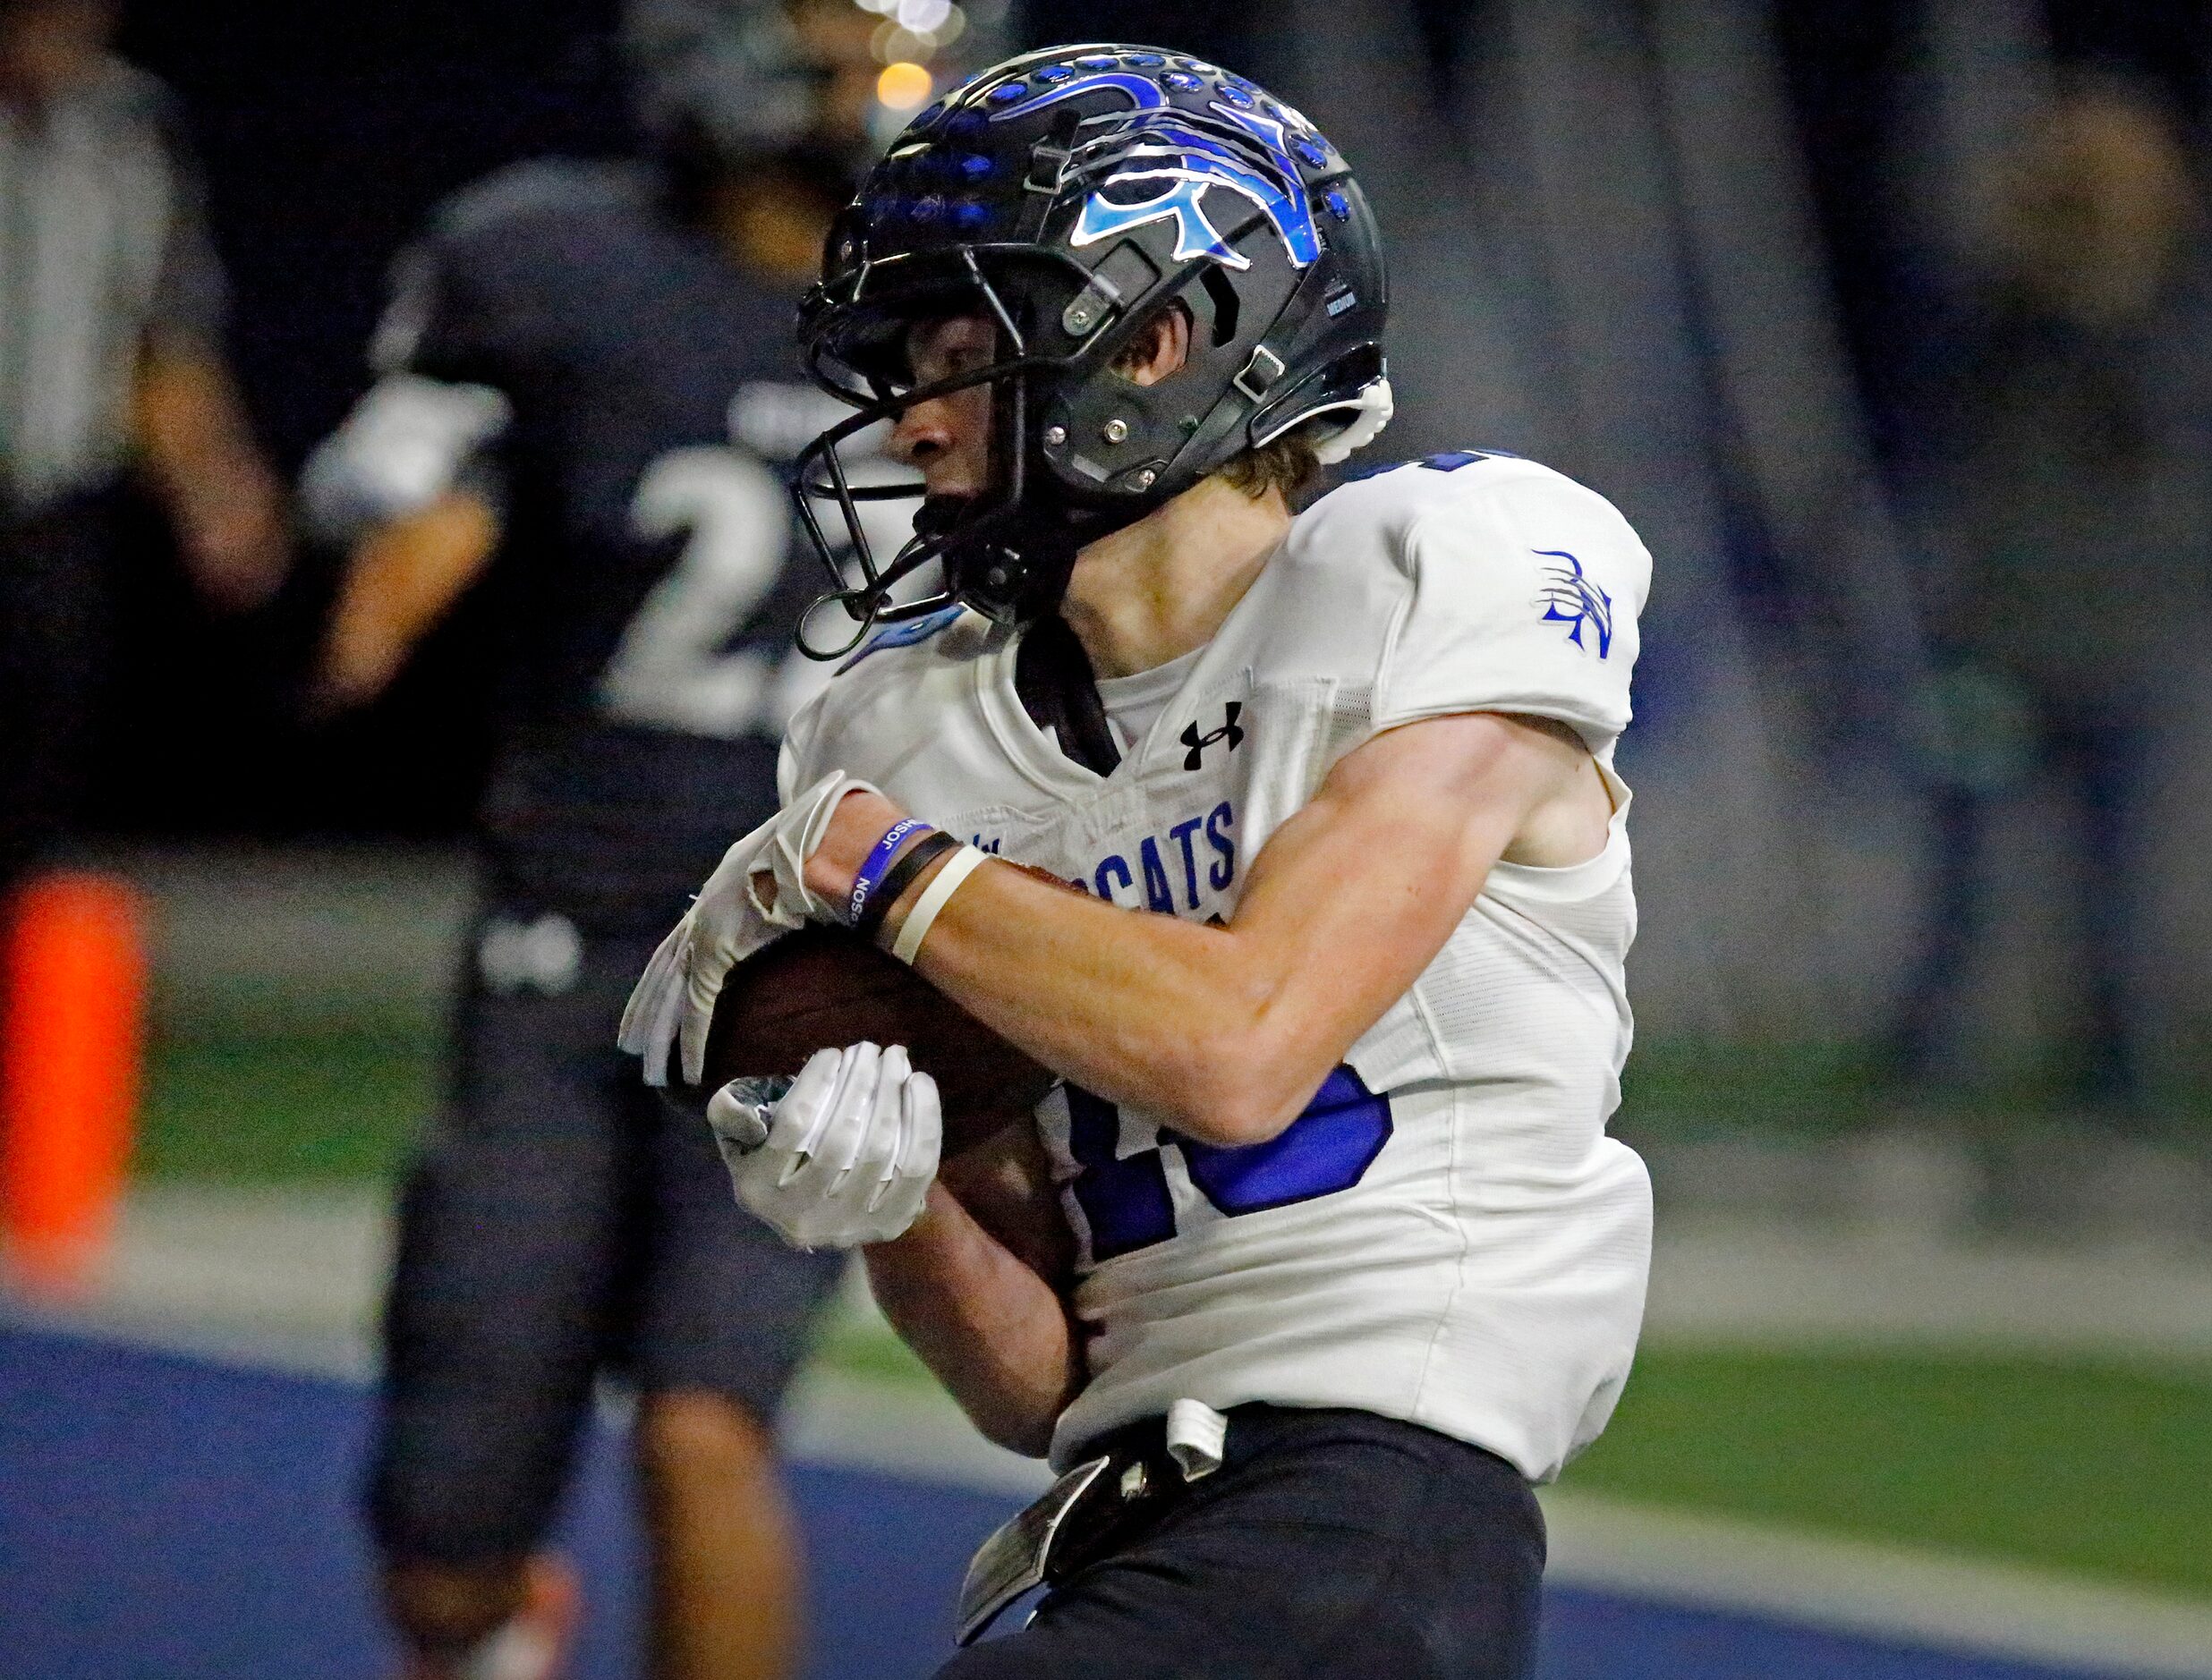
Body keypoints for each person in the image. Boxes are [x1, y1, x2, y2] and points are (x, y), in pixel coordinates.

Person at [623, 44, 1653, 1678]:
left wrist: (882, 873)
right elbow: (1037, 1377)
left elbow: (1240, 1051)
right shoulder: (911, 729)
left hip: (1380, 1496)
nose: (921, 424)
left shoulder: (1440, 557)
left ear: (1159, 340)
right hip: (1143, 1516)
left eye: (965, 351)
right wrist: (899, 1191)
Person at [297, 4, 935, 1676]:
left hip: (812, 962)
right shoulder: (554, 261)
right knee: (445, 1531)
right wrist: (400, 551)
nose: (873, 66)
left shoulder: (961, 296)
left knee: (701, 1427)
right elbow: (419, 477)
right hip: (567, 936)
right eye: (832, 30)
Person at [1887, 72, 2212, 1117]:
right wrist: (2043, 262)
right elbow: (1944, 394)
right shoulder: (1998, 314)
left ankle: (2114, 1083)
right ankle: (1927, 1075)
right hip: (1993, 645)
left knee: (2112, 889)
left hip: (2119, 649)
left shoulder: (2170, 321)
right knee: (1965, 878)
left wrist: (2117, 289)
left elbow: (2147, 432)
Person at [0, 0, 287, 892]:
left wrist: (214, 484)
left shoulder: (130, 124)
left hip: (57, 507)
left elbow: (164, 328)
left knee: (35, 792)